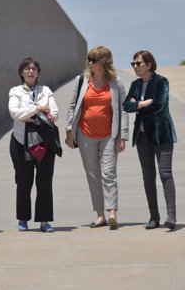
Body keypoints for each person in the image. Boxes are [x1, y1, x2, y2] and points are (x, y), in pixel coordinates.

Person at [65, 46, 129, 230]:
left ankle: (112, 213)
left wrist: (123, 136)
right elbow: (72, 107)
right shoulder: (82, 81)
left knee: (108, 174)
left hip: (110, 135)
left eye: (94, 60)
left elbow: (123, 110)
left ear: (104, 62)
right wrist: (70, 130)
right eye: (89, 59)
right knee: (93, 176)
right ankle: (100, 214)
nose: (90, 63)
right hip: (85, 135)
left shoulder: (116, 82)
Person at [123, 50, 178, 230]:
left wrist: (139, 105)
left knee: (165, 174)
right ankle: (154, 216)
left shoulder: (161, 82)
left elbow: (158, 105)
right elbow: (126, 105)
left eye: (138, 64)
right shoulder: (135, 84)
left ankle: (171, 216)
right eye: (133, 64)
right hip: (142, 136)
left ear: (149, 64)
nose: (135, 67)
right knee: (148, 177)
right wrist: (141, 104)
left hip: (161, 134)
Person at [8, 57, 60, 232]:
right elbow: (15, 112)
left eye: (34, 69)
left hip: (44, 141)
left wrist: (29, 115)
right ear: (21, 72)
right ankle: (23, 219)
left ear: (38, 72)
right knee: (23, 181)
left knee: (45, 182)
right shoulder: (15, 91)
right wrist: (38, 109)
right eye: (27, 69)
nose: (31, 71)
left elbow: (54, 112)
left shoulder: (45, 90)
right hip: (20, 141)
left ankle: (44, 221)